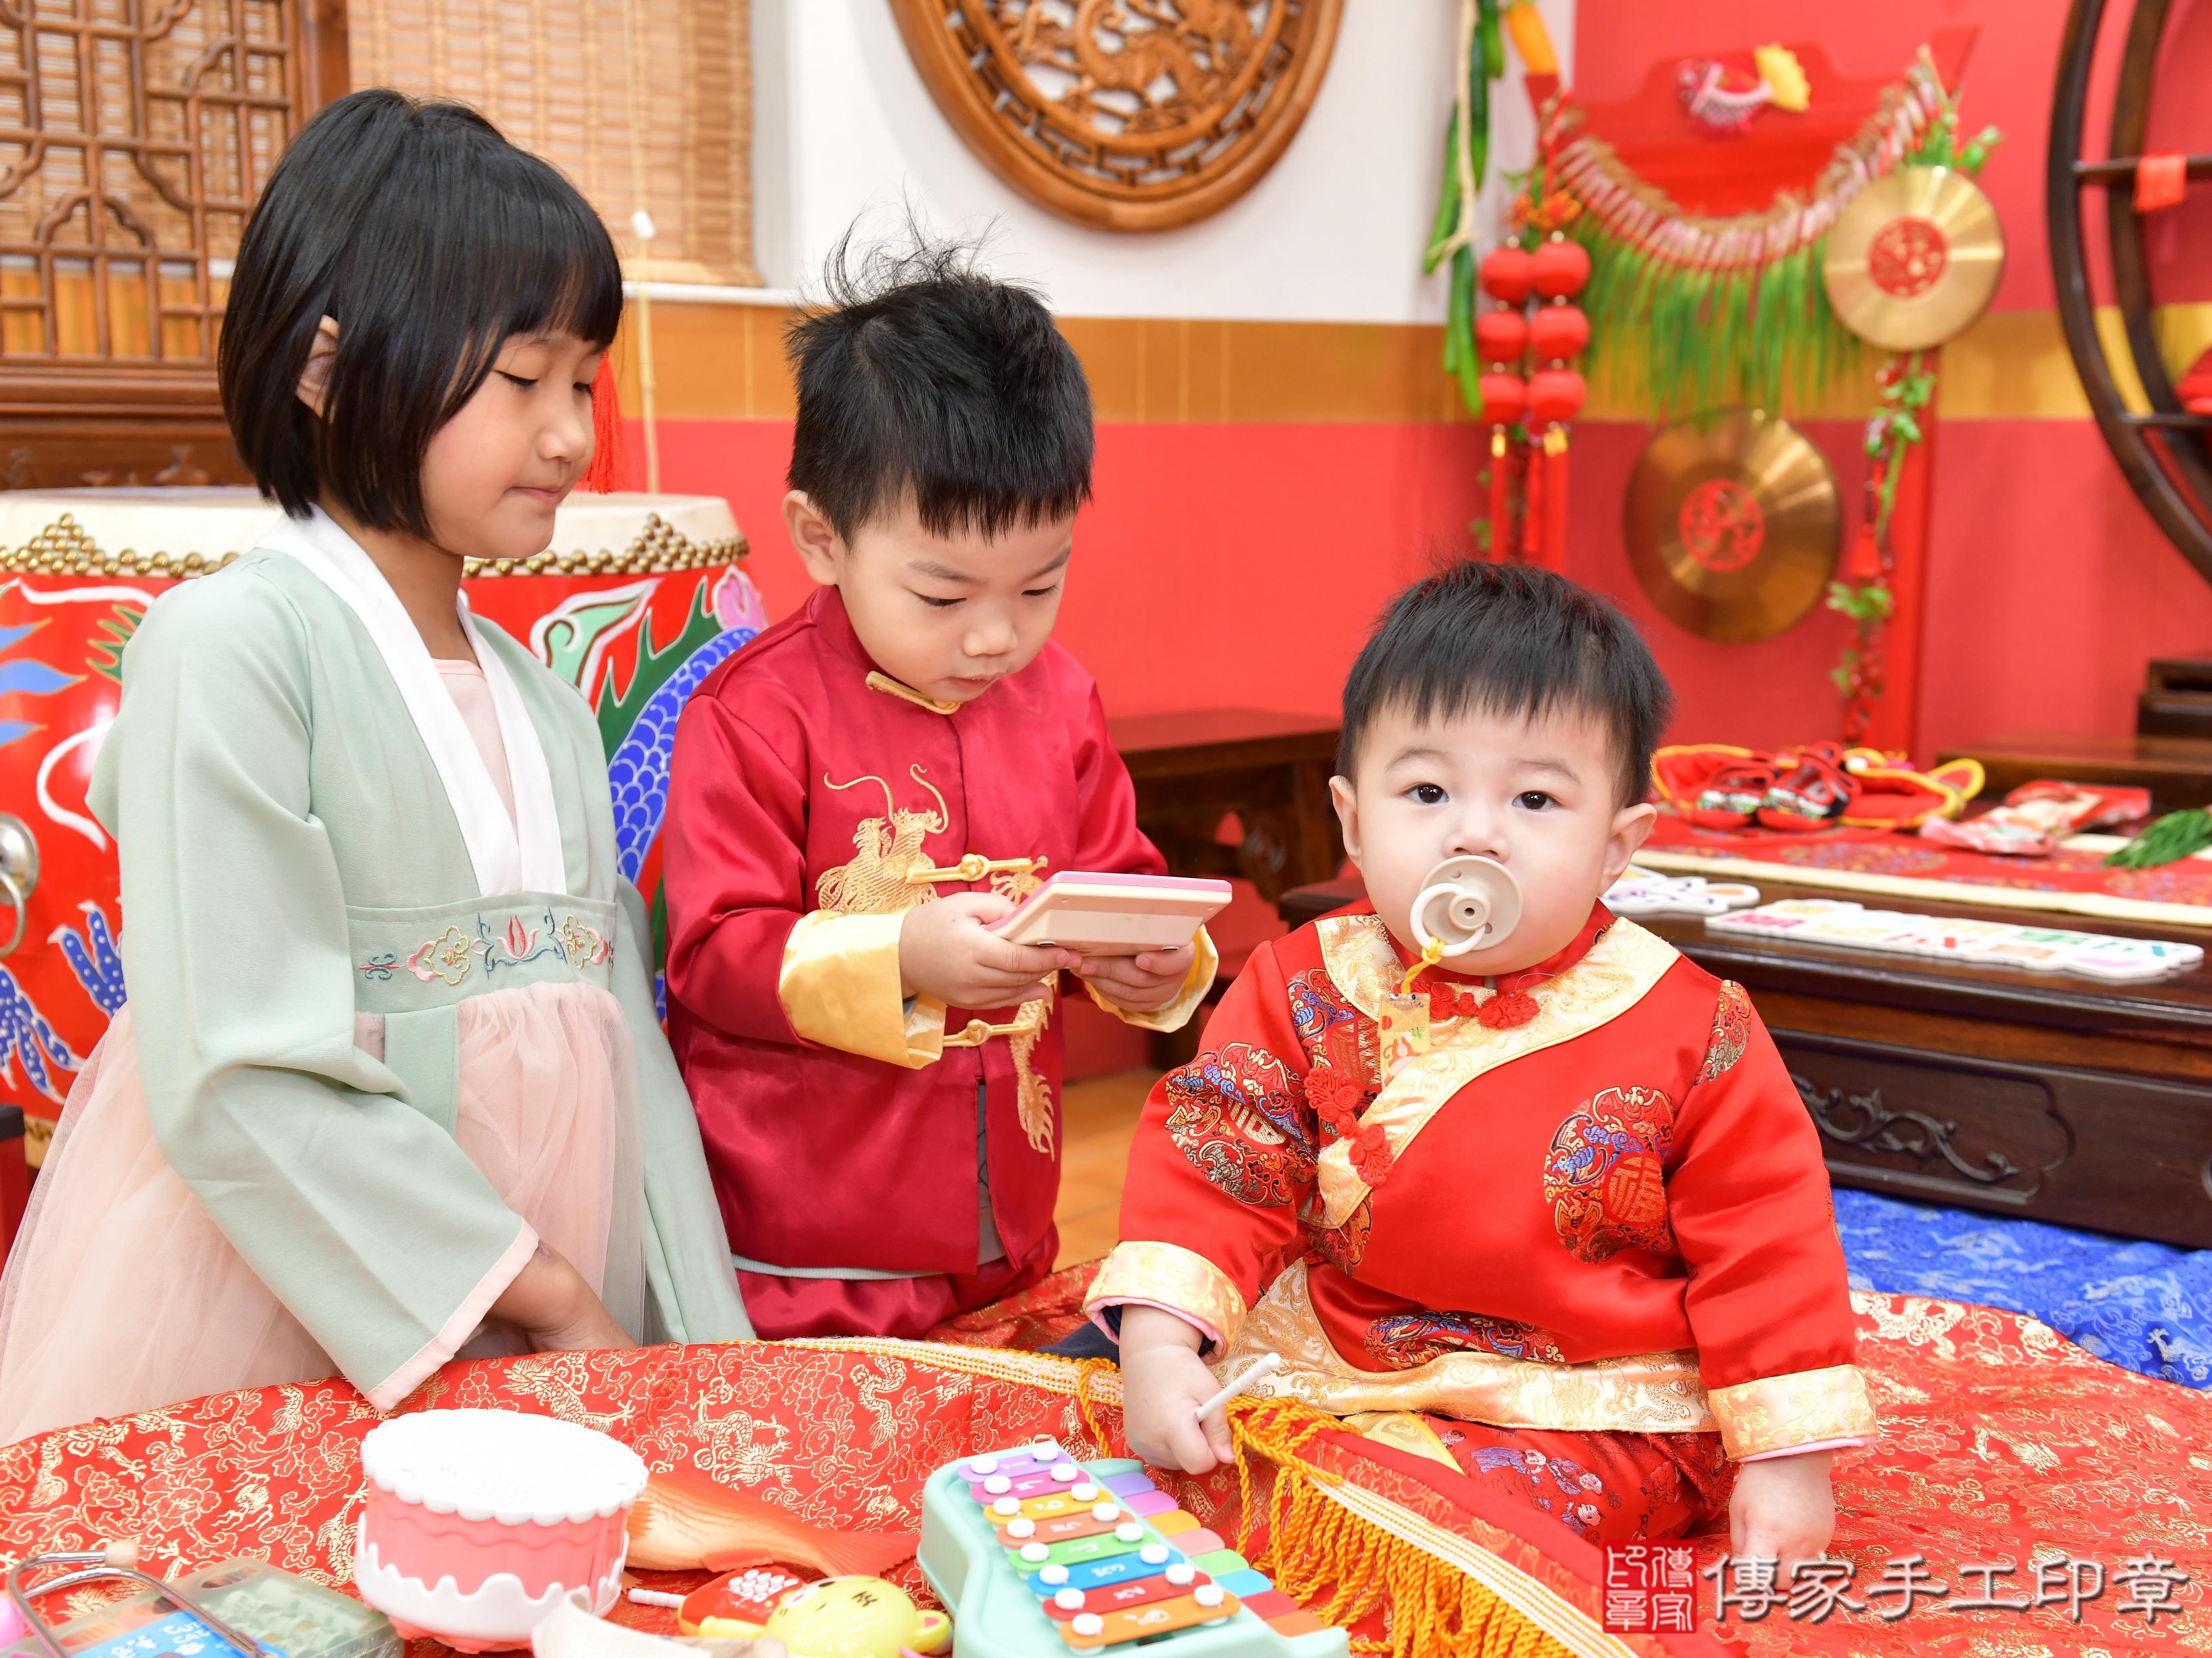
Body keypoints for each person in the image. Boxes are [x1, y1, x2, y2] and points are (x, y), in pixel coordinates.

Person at [0, 90, 751, 1459]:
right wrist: (534, 1287)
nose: (569, 433)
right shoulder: (236, 649)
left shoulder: (547, 705)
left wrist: (705, 1356)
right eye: (521, 379)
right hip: (290, 1297)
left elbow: (629, 1062)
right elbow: (241, 1067)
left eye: (584, 380)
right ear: (327, 366)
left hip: (551, 1291)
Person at [1093, 560, 1873, 1569]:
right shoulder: (1298, 978)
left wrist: (1785, 1459)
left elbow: (1766, 1243)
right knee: (1176, 1462)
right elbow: (1218, 1158)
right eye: (1425, 790)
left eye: (1537, 801)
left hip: (1592, 1396)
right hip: (1340, 1350)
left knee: (1481, 1529)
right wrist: (1160, 1346)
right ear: (1352, 821)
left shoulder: (1694, 1024)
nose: (1474, 834)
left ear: (1616, 845)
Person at [660, 237, 1218, 1340]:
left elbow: (1121, 880)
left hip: (1008, 1218)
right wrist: (902, 957)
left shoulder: (1057, 699)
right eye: (942, 593)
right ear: (822, 538)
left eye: (1039, 584)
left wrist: (1155, 965)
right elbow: (711, 952)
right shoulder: (755, 711)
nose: (996, 636)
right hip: (808, 1240)